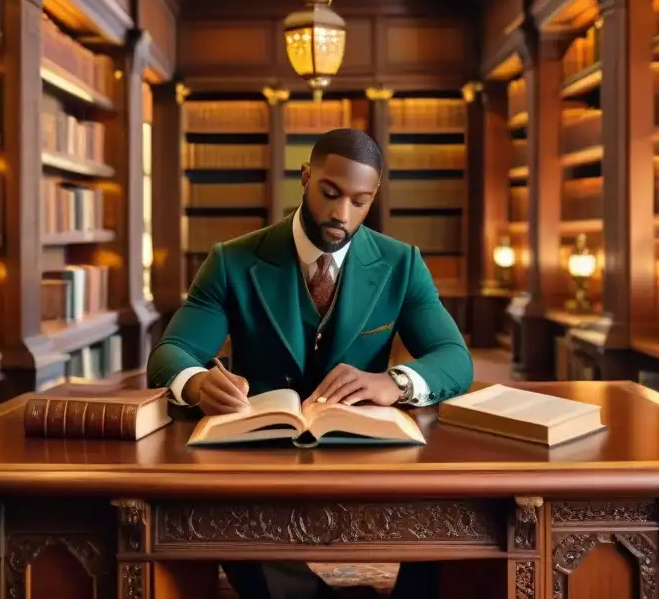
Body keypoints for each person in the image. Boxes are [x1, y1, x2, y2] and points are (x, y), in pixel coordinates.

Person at [148, 127, 474, 599]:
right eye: (330, 193)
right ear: (305, 177)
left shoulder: (402, 264)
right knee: (222, 510)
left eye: (360, 201)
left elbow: (455, 360)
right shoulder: (232, 261)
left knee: (456, 505)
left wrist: (396, 382)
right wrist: (198, 383)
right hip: (260, 451)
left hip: (366, 451)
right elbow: (170, 353)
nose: (343, 214)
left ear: (374, 197)